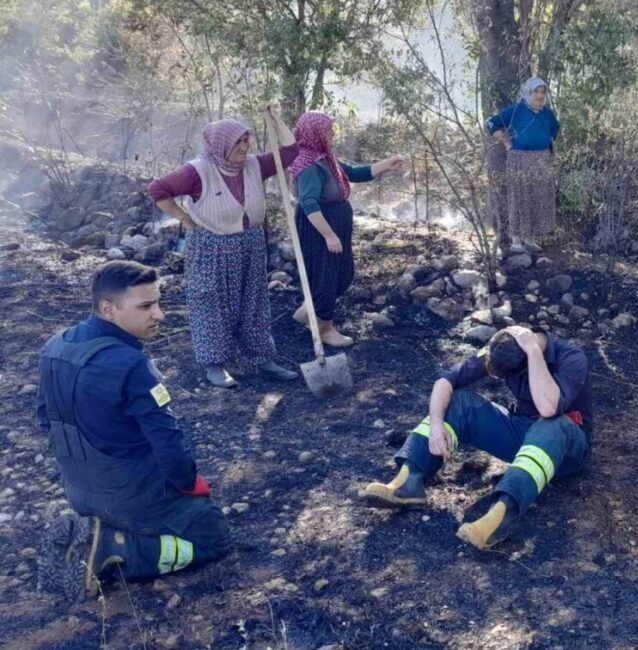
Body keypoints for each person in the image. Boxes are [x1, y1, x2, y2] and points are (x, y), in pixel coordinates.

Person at [35, 262, 230, 602]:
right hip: (128, 494)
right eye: (145, 306)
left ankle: (99, 531)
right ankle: (118, 551)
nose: (160, 315)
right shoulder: (132, 365)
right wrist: (188, 483)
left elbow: (43, 419)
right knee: (214, 535)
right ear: (108, 308)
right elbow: (168, 443)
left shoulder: (55, 345)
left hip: (78, 490)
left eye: (158, 302)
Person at [361, 326, 592, 550]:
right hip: (523, 434)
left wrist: (533, 352)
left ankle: (501, 515)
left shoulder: (571, 357)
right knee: (460, 400)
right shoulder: (505, 343)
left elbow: (549, 408)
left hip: (566, 447)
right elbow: (446, 380)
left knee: (550, 424)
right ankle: (408, 481)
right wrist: (436, 425)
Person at [149, 106, 299, 388]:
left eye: (246, 140)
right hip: (211, 244)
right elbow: (158, 190)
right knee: (211, 303)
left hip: (250, 243)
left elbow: (291, 152)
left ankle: (262, 357)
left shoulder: (255, 164)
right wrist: (185, 219)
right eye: (237, 142)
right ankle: (215, 365)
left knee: (254, 301)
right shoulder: (197, 171)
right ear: (220, 145)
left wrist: (276, 118)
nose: (244, 147)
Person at [286, 111, 404, 347]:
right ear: (315, 133)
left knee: (343, 275)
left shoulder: (325, 158)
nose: (333, 134)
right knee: (327, 277)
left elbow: (354, 173)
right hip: (319, 226)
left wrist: (386, 165)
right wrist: (328, 235)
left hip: (335, 222)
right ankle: (324, 328)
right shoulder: (309, 165)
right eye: (328, 130)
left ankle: (308, 311)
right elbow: (308, 203)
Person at [485, 78, 560, 252]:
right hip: (519, 160)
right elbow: (491, 123)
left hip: (542, 162)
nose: (540, 96)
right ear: (528, 92)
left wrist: (547, 140)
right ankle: (516, 241)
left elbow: (555, 129)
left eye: (543, 92)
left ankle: (530, 239)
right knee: (519, 198)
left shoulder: (547, 113)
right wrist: (505, 142)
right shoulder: (516, 110)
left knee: (537, 199)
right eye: (536, 92)